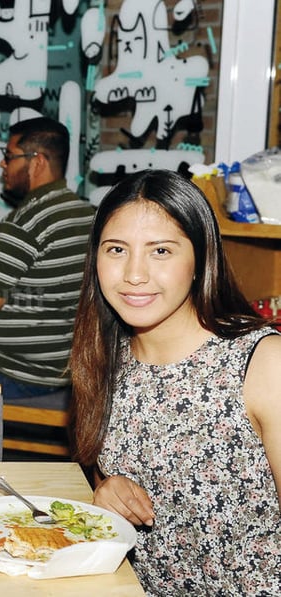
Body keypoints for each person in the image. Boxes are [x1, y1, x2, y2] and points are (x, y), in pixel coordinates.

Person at [69, 169, 281, 595]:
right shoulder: (106, 355)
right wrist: (107, 489)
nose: (134, 274)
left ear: (201, 258)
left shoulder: (263, 363)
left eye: (161, 250)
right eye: (116, 250)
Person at [0, 117, 95, 399]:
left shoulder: (22, 222)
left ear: (37, 161)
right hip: (66, 370)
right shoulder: (86, 214)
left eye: (9, 156)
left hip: (15, 374)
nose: (3, 164)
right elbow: (50, 278)